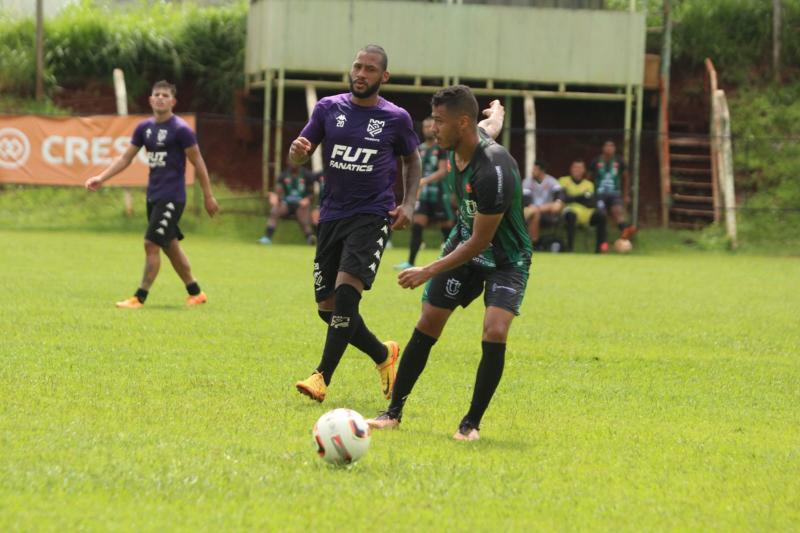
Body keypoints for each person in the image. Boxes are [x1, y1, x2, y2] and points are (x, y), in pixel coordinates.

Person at [367, 85, 531, 441]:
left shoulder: (494, 169)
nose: (433, 128)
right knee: (428, 322)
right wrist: (497, 111)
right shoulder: (462, 141)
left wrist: (427, 269)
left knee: (495, 330)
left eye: (439, 122)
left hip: (505, 257)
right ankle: (393, 412)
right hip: (464, 242)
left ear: (462, 123)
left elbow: (482, 241)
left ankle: (470, 424)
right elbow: (492, 124)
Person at [289, 45, 422, 403]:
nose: (361, 74)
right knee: (329, 309)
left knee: (348, 292)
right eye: (357, 67)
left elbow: (413, 159)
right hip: (332, 215)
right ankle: (384, 354)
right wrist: (297, 154)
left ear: (384, 77)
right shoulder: (328, 108)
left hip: (372, 215)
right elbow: (299, 153)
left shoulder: (396, 118)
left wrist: (408, 203)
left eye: (370, 69)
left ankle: (321, 377)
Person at [85, 80, 218, 308]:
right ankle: (196, 292)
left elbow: (199, 162)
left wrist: (208, 196)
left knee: (151, 244)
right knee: (170, 246)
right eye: (156, 94)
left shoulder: (181, 130)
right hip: (154, 196)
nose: (160, 98)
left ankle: (139, 297)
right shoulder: (144, 128)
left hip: (172, 198)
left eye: (165, 95)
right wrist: (102, 177)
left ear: (173, 101)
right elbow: (125, 158)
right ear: (150, 99)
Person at [394, 117, 453, 270]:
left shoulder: (441, 148)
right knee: (417, 225)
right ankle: (410, 262)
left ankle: (453, 262)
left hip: (439, 194)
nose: (428, 129)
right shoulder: (419, 148)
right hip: (424, 195)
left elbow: (443, 171)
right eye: (425, 126)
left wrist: (425, 181)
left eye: (430, 126)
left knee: (447, 228)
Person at [589, 140, 637, 240]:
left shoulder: (619, 161)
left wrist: (626, 194)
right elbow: (588, 177)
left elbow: (626, 177)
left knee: (617, 211)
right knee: (602, 214)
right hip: (599, 194)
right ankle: (603, 240)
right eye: (607, 146)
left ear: (614, 149)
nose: (609, 148)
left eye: (611, 146)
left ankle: (625, 232)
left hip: (615, 193)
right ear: (603, 148)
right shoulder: (596, 161)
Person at [259, 161, 315, 245]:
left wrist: (307, 199)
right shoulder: (283, 175)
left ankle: (310, 238)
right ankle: (267, 237)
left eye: (295, 161)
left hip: (301, 204)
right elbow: (278, 191)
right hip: (286, 204)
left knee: (303, 214)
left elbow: (312, 193)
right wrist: (274, 197)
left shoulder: (307, 175)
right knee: (275, 210)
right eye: (291, 161)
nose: (293, 163)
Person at [559, 159, 607, 253]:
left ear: (584, 170)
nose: (577, 170)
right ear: (571, 169)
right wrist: (582, 197)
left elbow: (590, 202)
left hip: (586, 213)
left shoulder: (589, 184)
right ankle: (570, 249)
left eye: (580, 168)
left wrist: (573, 197)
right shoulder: (563, 181)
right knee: (571, 215)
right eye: (575, 167)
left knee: (601, 215)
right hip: (569, 210)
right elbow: (564, 198)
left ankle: (599, 250)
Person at [521, 160, 563, 247]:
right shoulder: (527, 182)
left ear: (542, 171)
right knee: (535, 212)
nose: (532, 171)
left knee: (557, 205)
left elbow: (559, 196)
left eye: (535, 169)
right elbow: (526, 200)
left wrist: (557, 203)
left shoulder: (551, 181)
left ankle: (532, 243)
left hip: (547, 212)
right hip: (531, 210)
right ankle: (534, 243)